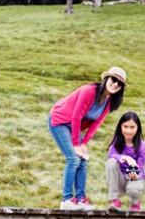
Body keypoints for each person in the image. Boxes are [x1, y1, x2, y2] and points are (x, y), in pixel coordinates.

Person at [48, 66, 127, 210]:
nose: (115, 84)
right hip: (60, 121)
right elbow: (76, 115)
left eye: (119, 83)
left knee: (83, 159)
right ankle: (66, 200)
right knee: (73, 158)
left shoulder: (109, 102)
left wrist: (84, 143)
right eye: (113, 79)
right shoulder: (89, 91)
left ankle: (80, 199)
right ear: (106, 79)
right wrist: (76, 144)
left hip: (73, 127)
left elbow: (97, 122)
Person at [106, 112, 145, 212]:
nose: (128, 131)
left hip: (133, 178)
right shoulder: (117, 141)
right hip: (119, 178)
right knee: (111, 162)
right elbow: (111, 155)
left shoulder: (142, 146)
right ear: (120, 126)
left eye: (132, 127)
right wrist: (126, 158)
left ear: (138, 128)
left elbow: (141, 168)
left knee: (134, 188)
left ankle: (135, 203)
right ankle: (114, 200)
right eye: (125, 126)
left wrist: (137, 175)